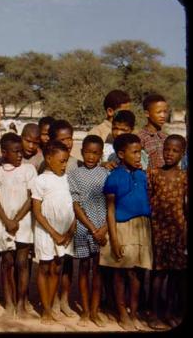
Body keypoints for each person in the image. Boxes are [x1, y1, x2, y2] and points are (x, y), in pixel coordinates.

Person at [99, 133, 153, 331]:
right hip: (122, 228)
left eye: (140, 152)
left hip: (142, 227)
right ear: (121, 154)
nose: (139, 156)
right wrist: (113, 239)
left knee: (138, 273)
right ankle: (123, 314)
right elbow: (111, 209)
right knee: (122, 273)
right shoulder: (114, 177)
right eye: (135, 152)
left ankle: (134, 311)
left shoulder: (142, 174)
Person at [0, 133, 37, 318]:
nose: (20, 155)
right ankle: (9, 302)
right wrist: (7, 221)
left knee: (22, 263)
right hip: (3, 224)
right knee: (7, 263)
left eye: (21, 152)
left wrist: (16, 219)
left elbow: (31, 197)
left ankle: (21, 303)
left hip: (23, 223)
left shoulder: (29, 170)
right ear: (4, 152)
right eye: (16, 152)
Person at [30, 140, 76, 325]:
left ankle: (51, 303)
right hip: (46, 232)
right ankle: (46, 309)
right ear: (49, 159)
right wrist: (54, 233)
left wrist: (70, 230)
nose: (64, 165)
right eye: (61, 161)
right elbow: (37, 211)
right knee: (44, 267)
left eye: (66, 161)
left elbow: (75, 206)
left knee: (57, 267)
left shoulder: (69, 179)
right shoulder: (40, 181)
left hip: (66, 232)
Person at [67, 135, 109, 327]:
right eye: (87, 152)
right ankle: (84, 310)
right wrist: (92, 229)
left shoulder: (106, 174)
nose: (91, 156)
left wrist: (104, 229)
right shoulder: (74, 174)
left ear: (101, 155)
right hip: (85, 229)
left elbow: (112, 204)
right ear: (81, 152)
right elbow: (75, 204)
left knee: (98, 271)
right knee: (83, 269)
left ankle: (95, 310)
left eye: (95, 153)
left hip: (103, 228)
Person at [147, 134, 187, 330]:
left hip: (178, 232)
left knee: (175, 275)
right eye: (167, 149)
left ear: (182, 153)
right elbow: (148, 200)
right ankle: (153, 312)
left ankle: (170, 312)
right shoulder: (153, 173)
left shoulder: (184, 177)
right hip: (158, 232)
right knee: (158, 274)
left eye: (175, 150)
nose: (170, 154)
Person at [41, 119, 80, 317]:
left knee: (67, 264)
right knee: (51, 263)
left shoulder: (77, 163)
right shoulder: (46, 165)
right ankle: (52, 300)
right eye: (63, 139)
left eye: (70, 138)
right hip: (51, 224)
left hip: (70, 222)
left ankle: (64, 299)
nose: (68, 142)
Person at [137, 94, 169, 169]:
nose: (163, 116)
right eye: (159, 112)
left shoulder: (166, 137)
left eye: (165, 112)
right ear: (147, 113)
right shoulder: (140, 138)